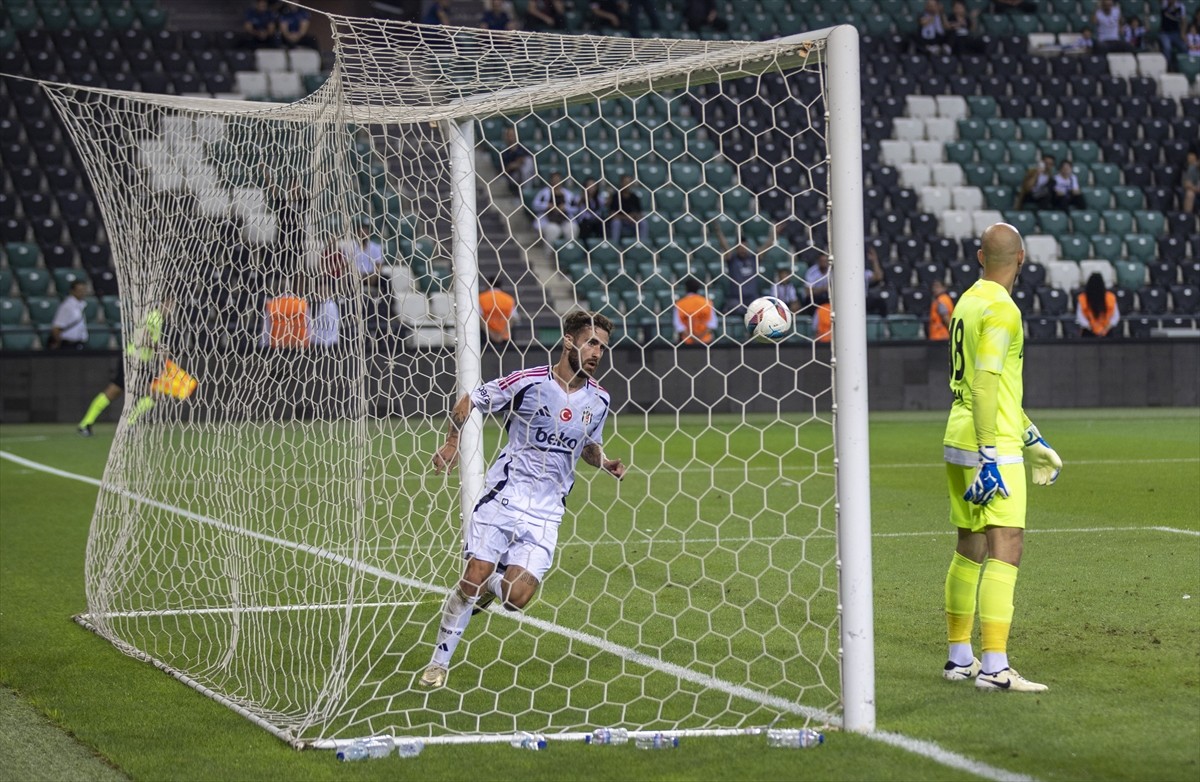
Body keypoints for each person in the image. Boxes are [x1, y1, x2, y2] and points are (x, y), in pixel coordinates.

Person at [419, 310, 625, 689]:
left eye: (602, 347)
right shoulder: (528, 382)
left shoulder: (599, 400)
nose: (597, 353)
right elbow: (470, 400)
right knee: (472, 579)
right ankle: (437, 664)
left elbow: (588, 444)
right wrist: (451, 443)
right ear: (569, 341)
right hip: (504, 496)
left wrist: (604, 461)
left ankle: (485, 587)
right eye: (591, 343)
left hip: (547, 513)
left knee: (516, 598)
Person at [940, 222, 1062, 693]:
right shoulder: (1004, 309)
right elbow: (987, 382)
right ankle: (994, 667)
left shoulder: (967, 301)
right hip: (987, 442)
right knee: (1006, 544)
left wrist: (1034, 442)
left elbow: (998, 389)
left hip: (959, 433)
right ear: (1023, 259)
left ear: (978, 257)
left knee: (970, 544)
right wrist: (993, 452)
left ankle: (959, 657)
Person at [77, 297, 196, 435]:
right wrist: (160, 349)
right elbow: (143, 338)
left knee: (153, 393)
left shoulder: (157, 318)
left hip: (142, 361)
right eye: (170, 304)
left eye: (173, 305)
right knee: (116, 391)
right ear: (163, 303)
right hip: (133, 360)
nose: (171, 309)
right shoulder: (154, 317)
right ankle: (86, 424)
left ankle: (127, 425)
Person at [531, 172, 579, 245]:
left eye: (558, 180)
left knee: (572, 228)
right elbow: (535, 205)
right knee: (553, 230)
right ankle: (550, 254)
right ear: (550, 181)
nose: (556, 181)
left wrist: (565, 208)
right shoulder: (544, 193)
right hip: (549, 221)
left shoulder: (568, 194)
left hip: (565, 220)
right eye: (554, 180)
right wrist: (547, 206)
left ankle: (568, 252)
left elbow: (575, 208)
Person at [674, 276, 718, 345]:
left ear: (686, 288)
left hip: (687, 342)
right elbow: (712, 324)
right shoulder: (707, 302)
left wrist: (692, 337)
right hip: (705, 341)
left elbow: (679, 325)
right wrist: (700, 337)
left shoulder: (680, 304)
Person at [1075, 272, 1120, 338]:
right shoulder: (1111, 297)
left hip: (1090, 333)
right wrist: (1105, 329)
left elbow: (1080, 317)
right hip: (1106, 332)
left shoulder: (1082, 298)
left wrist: (1091, 328)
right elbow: (1116, 317)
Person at [48, 280, 89, 350]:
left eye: (84, 290)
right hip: (68, 345)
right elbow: (56, 328)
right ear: (72, 291)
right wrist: (58, 343)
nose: (82, 293)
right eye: (79, 290)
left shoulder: (82, 305)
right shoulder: (67, 306)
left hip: (80, 344)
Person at [723, 243, 760, 316]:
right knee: (734, 306)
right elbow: (725, 247)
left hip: (752, 298)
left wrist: (774, 235)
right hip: (736, 299)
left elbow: (765, 248)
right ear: (736, 249)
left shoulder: (753, 259)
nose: (743, 250)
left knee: (760, 307)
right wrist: (718, 233)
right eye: (740, 248)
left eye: (745, 247)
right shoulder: (732, 260)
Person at [479, 273, 517, 343]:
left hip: (486, 337)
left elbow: (480, 319)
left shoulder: (481, 298)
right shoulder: (509, 299)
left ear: (488, 284)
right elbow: (513, 318)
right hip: (505, 337)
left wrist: (491, 334)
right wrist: (501, 334)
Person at [606, 175, 644, 243]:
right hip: (620, 220)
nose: (627, 185)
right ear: (621, 183)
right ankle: (615, 245)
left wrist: (634, 216)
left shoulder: (634, 197)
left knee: (643, 222)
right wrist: (626, 217)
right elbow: (612, 214)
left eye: (629, 182)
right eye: (625, 182)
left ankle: (643, 244)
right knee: (616, 223)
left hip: (632, 222)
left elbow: (639, 213)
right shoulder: (615, 196)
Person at [500, 126, 534, 195]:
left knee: (528, 162)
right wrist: (514, 165)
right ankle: (525, 193)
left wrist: (519, 163)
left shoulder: (523, 148)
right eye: (509, 135)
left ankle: (526, 193)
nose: (511, 137)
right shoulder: (504, 152)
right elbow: (504, 170)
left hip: (526, 174)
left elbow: (528, 161)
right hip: (513, 176)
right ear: (506, 137)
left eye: (513, 135)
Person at [574, 178, 608, 243]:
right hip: (583, 222)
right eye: (589, 185)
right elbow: (576, 206)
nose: (591, 187)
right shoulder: (579, 197)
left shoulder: (598, 198)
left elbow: (605, 204)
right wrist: (583, 197)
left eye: (594, 186)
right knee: (585, 226)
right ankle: (585, 248)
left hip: (596, 221)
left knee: (603, 224)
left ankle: (603, 245)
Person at [1159, 0, 1187, 66]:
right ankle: (1167, 66)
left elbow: (1184, 21)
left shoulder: (1181, 7)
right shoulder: (1164, 3)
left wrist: (1182, 33)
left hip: (1175, 33)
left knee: (1183, 47)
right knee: (1167, 48)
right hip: (1164, 33)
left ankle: (1182, 65)